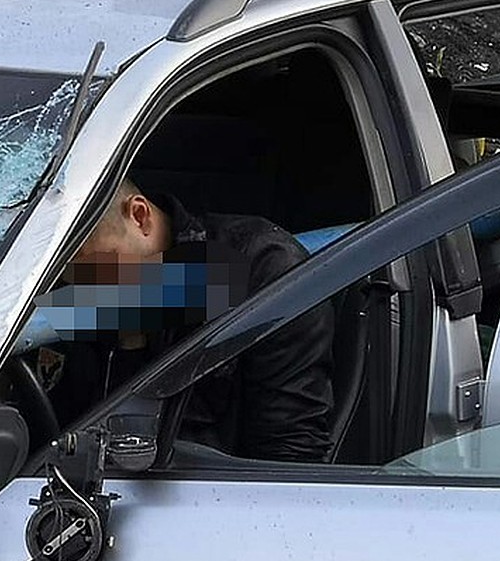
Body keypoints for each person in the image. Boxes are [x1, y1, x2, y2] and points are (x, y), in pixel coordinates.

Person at [58, 178, 335, 463]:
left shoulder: (259, 270)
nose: (96, 293)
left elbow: (289, 451)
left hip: (224, 495)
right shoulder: (81, 296)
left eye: (103, 273)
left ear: (140, 217)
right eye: (81, 284)